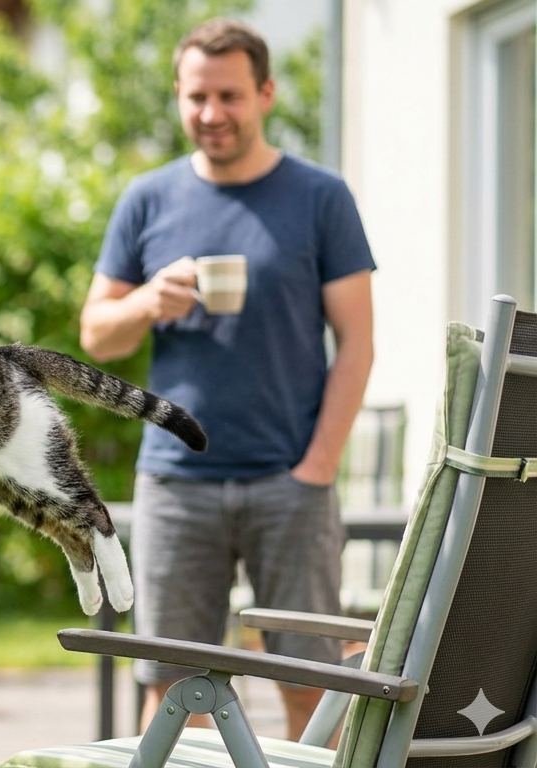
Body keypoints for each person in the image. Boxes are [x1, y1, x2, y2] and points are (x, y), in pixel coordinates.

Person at [78, 18, 375, 739]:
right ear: (180, 97)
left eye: (230, 96)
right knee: (174, 690)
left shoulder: (320, 197)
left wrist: (317, 468)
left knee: (312, 686)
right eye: (197, 96)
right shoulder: (147, 199)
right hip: (177, 481)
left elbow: (359, 343)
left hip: (290, 485)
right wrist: (149, 301)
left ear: (266, 93)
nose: (212, 114)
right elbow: (95, 335)